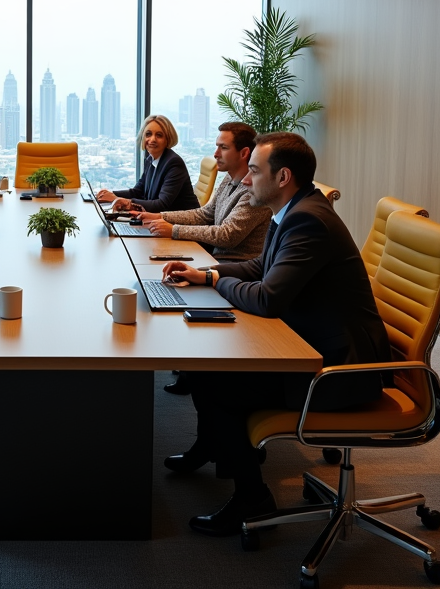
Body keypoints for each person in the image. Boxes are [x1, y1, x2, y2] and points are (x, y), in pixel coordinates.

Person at [159, 132, 391, 537]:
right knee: (207, 368)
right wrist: (204, 273)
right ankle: (212, 446)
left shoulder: (307, 221)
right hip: (318, 343)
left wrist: (214, 281)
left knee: (216, 381)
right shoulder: (296, 210)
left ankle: (252, 496)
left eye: (253, 171)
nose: (245, 180)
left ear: (282, 177)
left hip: (341, 370)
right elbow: (258, 267)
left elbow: (267, 298)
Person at [136, 122, 271, 394]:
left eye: (223, 147)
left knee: (168, 283)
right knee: (160, 279)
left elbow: (227, 235)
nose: (216, 153)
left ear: (244, 153)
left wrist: (172, 229)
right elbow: (205, 214)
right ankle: (189, 367)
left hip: (236, 267)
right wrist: (161, 217)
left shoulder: (253, 192)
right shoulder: (228, 179)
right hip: (216, 259)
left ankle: (193, 367)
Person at [95, 115, 200, 213]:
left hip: (181, 225)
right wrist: (110, 194)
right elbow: (138, 191)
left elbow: (161, 204)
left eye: (159, 135)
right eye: (148, 134)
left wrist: (118, 200)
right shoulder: (150, 159)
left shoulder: (173, 163)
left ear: (167, 140)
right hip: (158, 221)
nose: (152, 139)